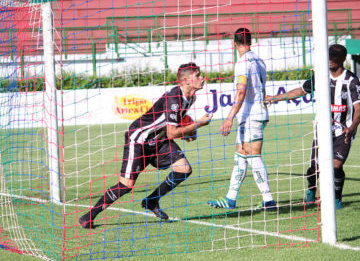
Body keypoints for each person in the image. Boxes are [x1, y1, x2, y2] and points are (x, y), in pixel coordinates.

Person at [79, 62, 213, 228]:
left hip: (159, 140)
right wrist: (198, 124)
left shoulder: (191, 97)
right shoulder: (174, 98)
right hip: (139, 140)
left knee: (184, 169)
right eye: (198, 75)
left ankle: (151, 201)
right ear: (186, 80)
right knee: (126, 185)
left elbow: (172, 126)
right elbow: (172, 132)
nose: (202, 78)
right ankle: (89, 216)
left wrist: (186, 133)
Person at [264, 44, 360, 209]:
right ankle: (311, 189)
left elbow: (359, 109)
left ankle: (337, 198)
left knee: (336, 165)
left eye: (334, 57)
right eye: (328, 56)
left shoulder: (351, 81)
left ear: (343, 59)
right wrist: (274, 97)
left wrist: (351, 127)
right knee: (314, 167)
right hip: (322, 129)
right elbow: (299, 91)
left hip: (344, 130)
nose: (330, 60)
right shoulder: (320, 77)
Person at [207, 28, 276, 210]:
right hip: (255, 113)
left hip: (251, 115)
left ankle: (268, 200)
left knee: (252, 155)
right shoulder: (259, 60)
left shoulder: (242, 62)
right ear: (250, 41)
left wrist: (230, 117)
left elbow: (241, 90)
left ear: (234, 43)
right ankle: (230, 199)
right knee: (241, 155)